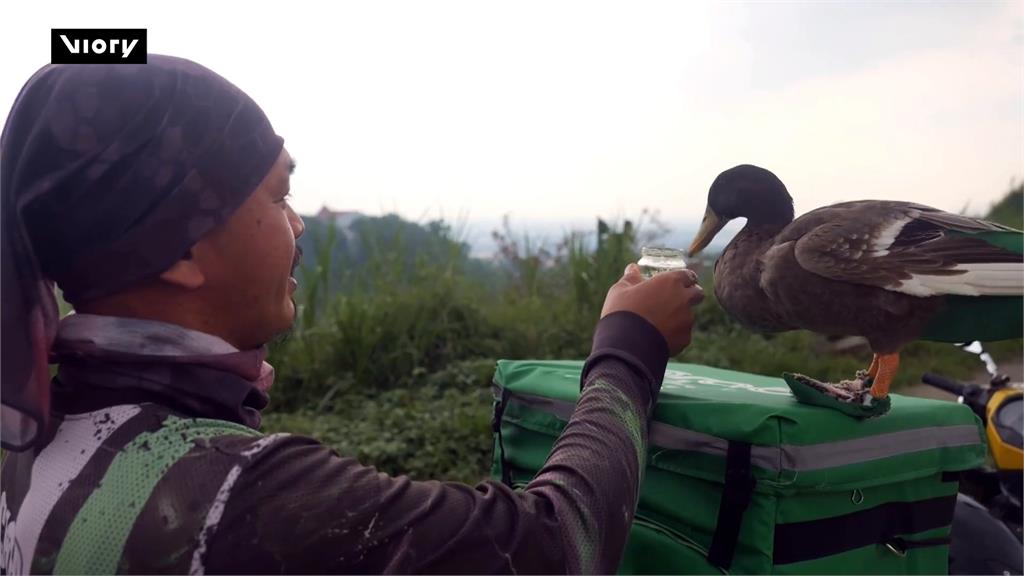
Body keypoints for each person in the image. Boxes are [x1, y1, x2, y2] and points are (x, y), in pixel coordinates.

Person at [0, 55, 703, 574]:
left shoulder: (28, 446)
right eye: (277, 197)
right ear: (181, 249)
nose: (298, 225)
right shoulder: (246, 495)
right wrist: (627, 350)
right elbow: (554, 548)